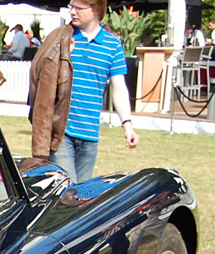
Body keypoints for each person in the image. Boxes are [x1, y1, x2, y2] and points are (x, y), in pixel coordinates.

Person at [28, 0, 138, 183]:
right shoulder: (61, 38)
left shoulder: (112, 46)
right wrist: (60, 56)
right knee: (67, 190)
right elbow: (39, 75)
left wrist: (127, 125)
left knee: (80, 197)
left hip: (90, 136)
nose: (72, 12)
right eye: (71, 7)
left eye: (79, 8)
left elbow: (119, 89)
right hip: (62, 134)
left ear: (96, 10)